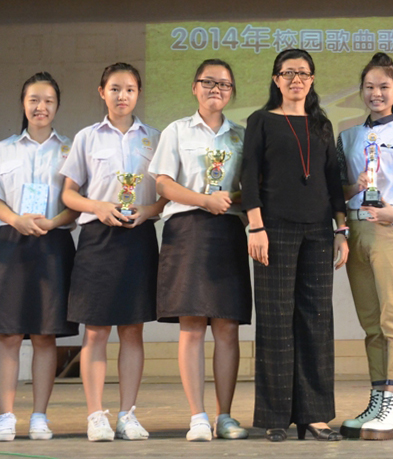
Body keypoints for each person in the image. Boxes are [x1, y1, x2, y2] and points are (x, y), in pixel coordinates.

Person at [240, 48, 348, 442]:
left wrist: (341, 230)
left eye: (303, 73)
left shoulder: (322, 124)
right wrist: (256, 227)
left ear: (312, 80)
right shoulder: (261, 121)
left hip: (319, 231)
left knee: (316, 320)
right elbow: (249, 176)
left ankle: (315, 416)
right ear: (276, 79)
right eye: (288, 73)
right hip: (273, 229)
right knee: (275, 321)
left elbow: (333, 181)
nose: (295, 79)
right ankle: (275, 416)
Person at [60, 63, 164, 442]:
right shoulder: (87, 137)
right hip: (97, 239)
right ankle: (95, 415)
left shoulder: (154, 139)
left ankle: (127, 414)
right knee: (96, 330)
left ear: (139, 94)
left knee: (133, 330)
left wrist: (148, 211)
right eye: (115, 88)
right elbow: (68, 194)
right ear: (102, 91)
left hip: (138, 238)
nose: (123, 96)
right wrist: (97, 207)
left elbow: (166, 194)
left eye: (130, 89)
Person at [149, 59, 251, 442]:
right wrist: (203, 200)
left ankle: (225, 416)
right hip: (186, 229)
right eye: (208, 82)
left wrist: (226, 200)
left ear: (231, 92)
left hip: (228, 230)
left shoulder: (241, 137)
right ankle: (197, 415)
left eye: (224, 84)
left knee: (226, 326)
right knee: (191, 325)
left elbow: (250, 190)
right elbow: (163, 184)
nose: (215, 89)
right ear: (194, 87)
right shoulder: (176, 130)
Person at [0, 72, 80, 442]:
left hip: (53, 244)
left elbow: (76, 202)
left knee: (44, 335)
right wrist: (16, 220)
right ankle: (6, 417)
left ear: (57, 106)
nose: (41, 107)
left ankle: (39, 416)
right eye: (34, 100)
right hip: (11, 243)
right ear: (23, 104)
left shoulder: (71, 149)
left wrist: (53, 222)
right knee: (8, 335)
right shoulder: (3, 149)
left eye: (49, 101)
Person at [335, 52, 393, 441]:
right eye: (370, 87)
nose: (376, 93)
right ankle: (377, 400)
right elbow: (337, 192)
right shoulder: (347, 136)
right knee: (371, 324)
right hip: (356, 231)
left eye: (384, 87)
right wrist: (353, 188)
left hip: (391, 229)